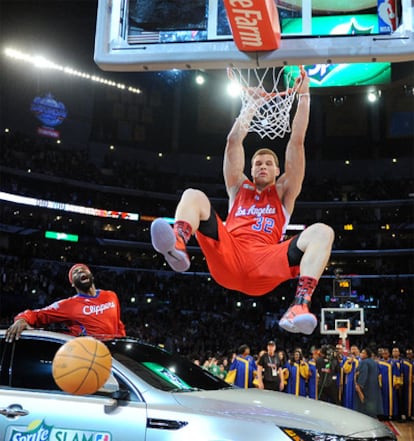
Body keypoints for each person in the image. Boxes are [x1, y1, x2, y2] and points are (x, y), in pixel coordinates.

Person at [151, 71, 334, 335]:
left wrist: (304, 95)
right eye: (257, 163)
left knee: (323, 232)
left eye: (268, 163)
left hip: (266, 260)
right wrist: (250, 106)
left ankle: (300, 305)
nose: (262, 166)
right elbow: (233, 141)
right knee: (193, 194)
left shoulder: (284, 191)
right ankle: (178, 245)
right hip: (229, 252)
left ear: (277, 170)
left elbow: (296, 141)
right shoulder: (238, 187)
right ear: (250, 168)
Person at [5, 263, 126, 342]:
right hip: (88, 358)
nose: (79, 271)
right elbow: (38, 314)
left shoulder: (111, 296)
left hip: (114, 358)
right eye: (75, 272)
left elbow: (118, 324)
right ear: (73, 283)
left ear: (91, 276)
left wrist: (122, 344)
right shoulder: (68, 305)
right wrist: (22, 319)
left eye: (83, 269)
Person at [355, 348, 383, 418]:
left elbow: (363, 375)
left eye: (363, 353)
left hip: (366, 389)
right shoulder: (374, 362)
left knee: (365, 411)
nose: (361, 354)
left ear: (367, 355)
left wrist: (359, 386)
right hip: (374, 388)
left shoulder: (364, 362)